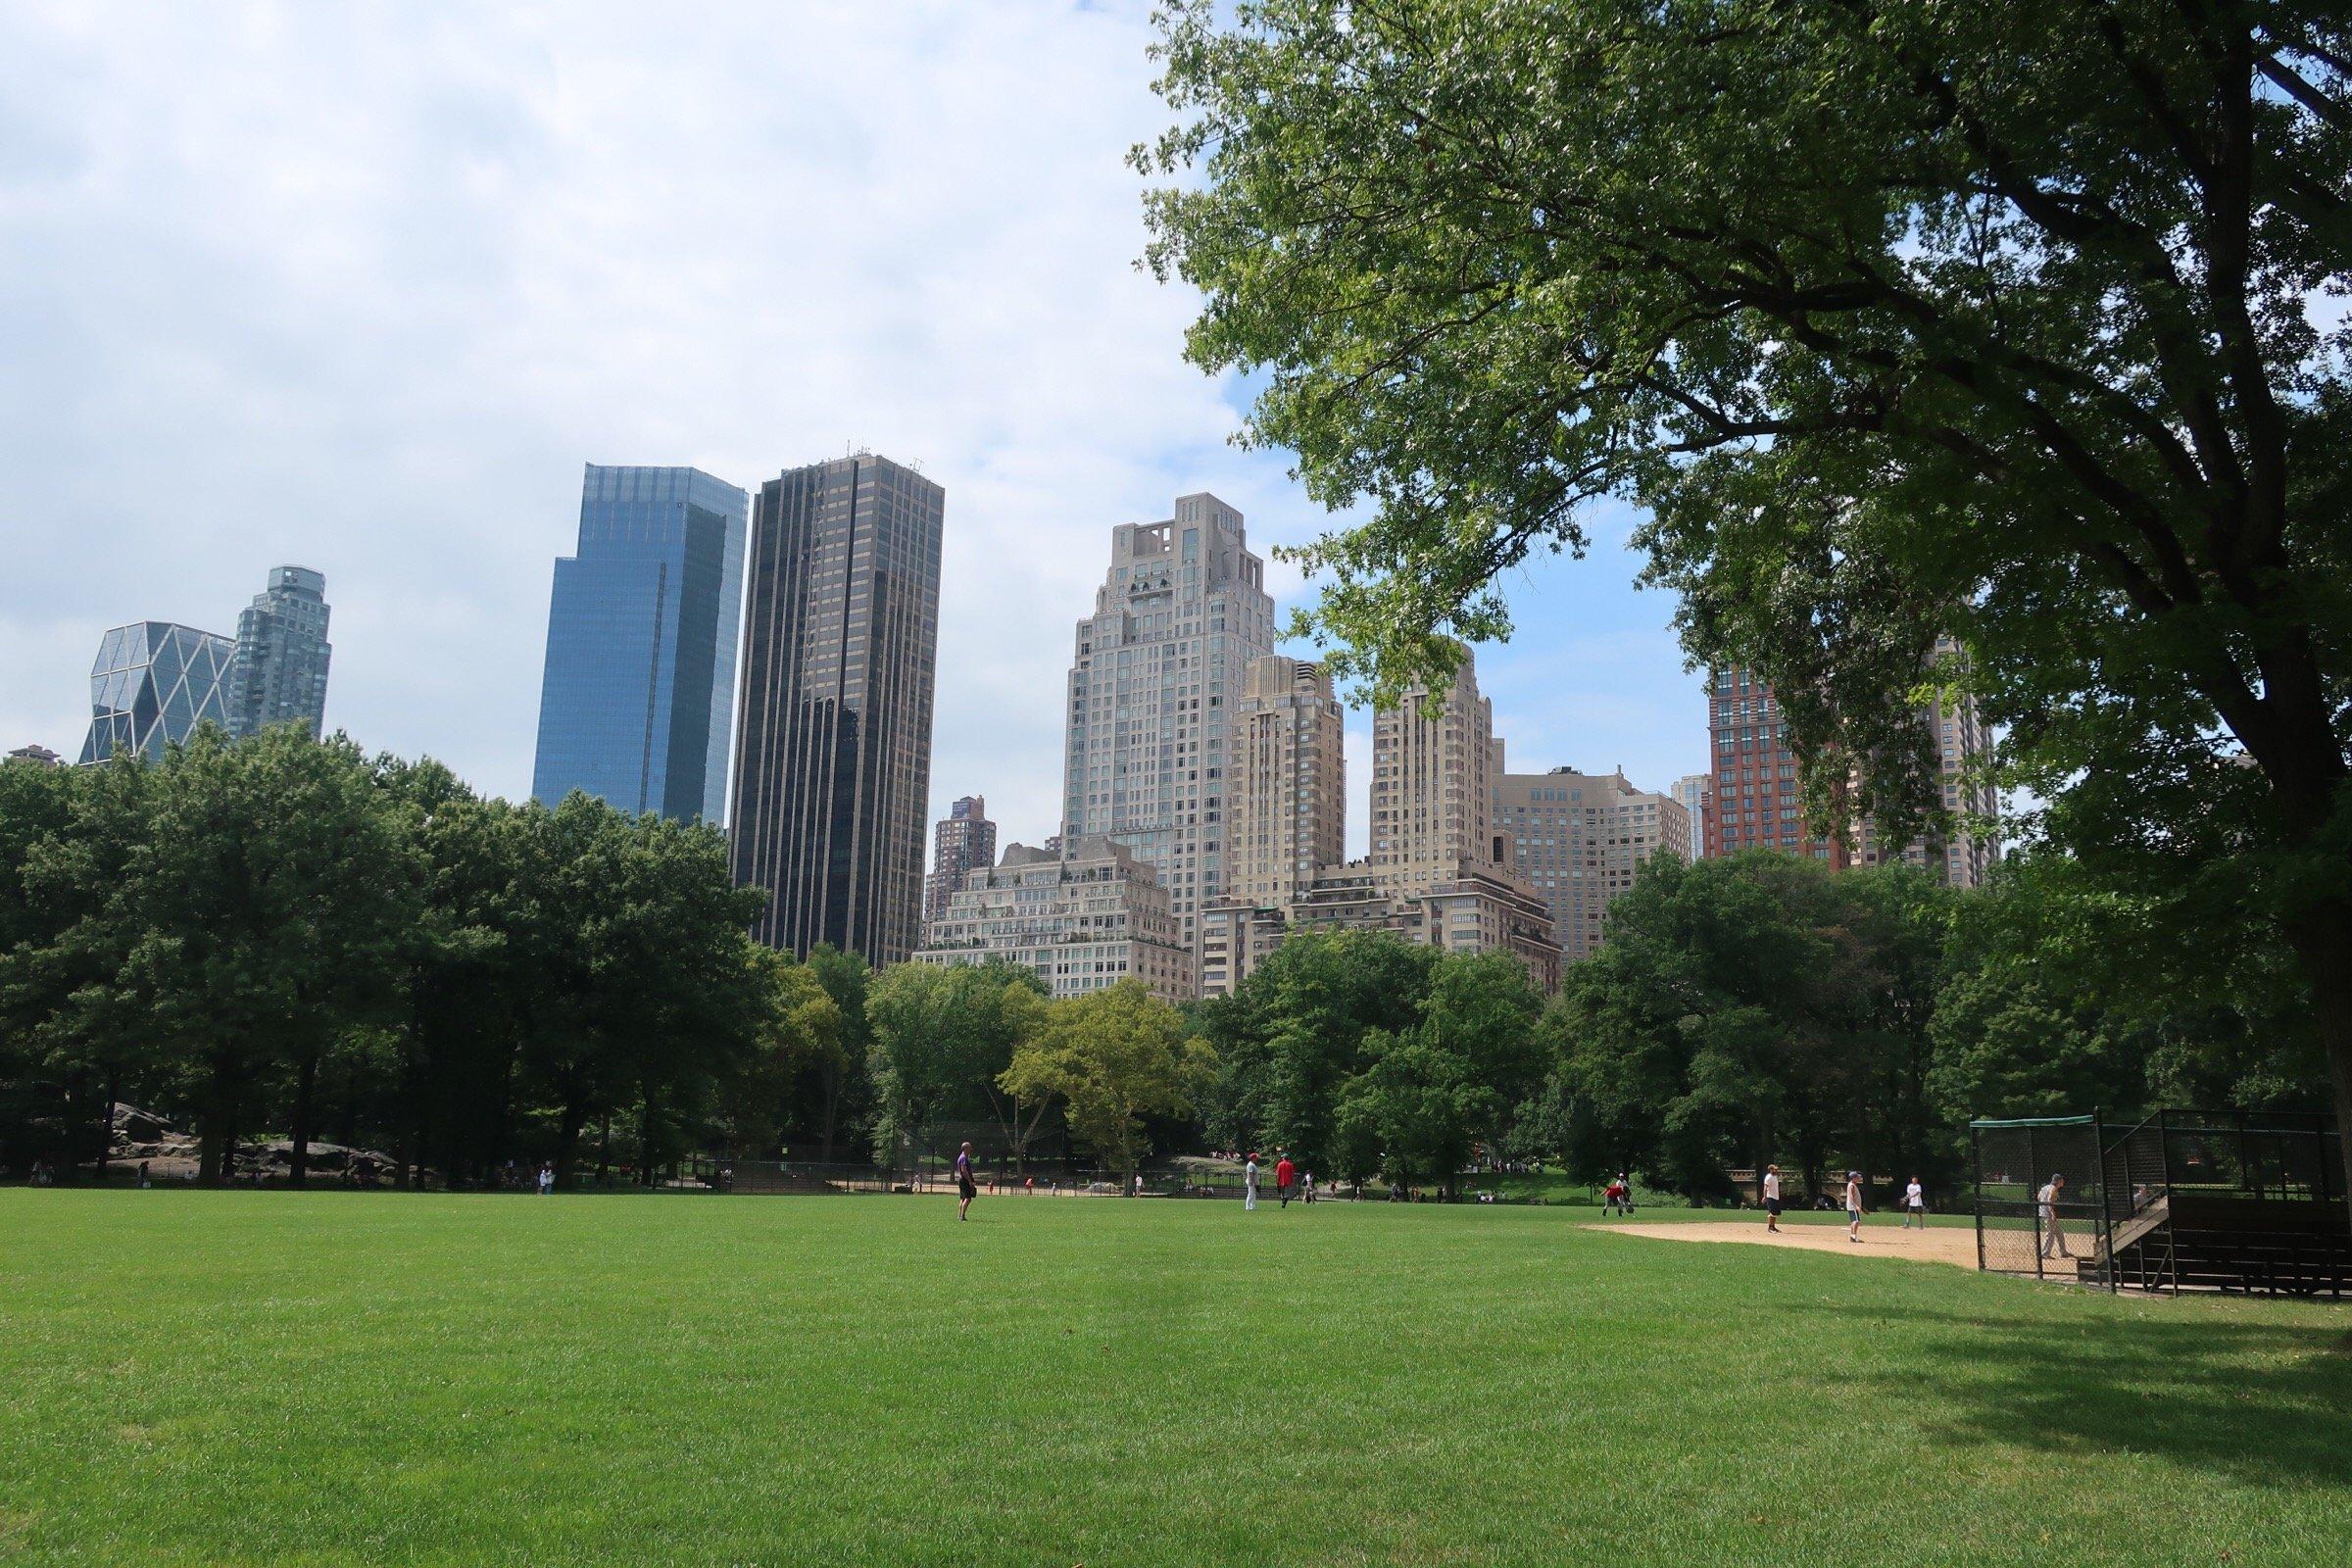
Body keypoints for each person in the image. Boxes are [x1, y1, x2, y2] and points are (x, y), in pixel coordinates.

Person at [2037, 1172, 2070, 1258]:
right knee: (2050, 1234)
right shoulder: (2053, 1188)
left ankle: (2063, 1252)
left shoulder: (2044, 1187)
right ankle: (2045, 1254)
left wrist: (2043, 1207)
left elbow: (2039, 1197)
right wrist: (2052, 1213)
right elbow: (2049, 1200)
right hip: (2049, 1214)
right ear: (2058, 1181)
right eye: (2061, 1180)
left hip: (2043, 1212)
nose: (2063, 1182)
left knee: (2059, 1233)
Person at [955, 1141, 978, 1221]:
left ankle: (959, 1215)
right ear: (965, 1148)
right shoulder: (964, 1158)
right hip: (964, 1180)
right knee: (968, 1199)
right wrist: (969, 1181)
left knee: (963, 1199)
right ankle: (962, 1216)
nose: (970, 1150)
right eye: (969, 1148)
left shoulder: (961, 1157)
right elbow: (964, 1170)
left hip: (962, 1180)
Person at [1844, 1170, 1865, 1243]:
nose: (1858, 1178)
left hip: (1852, 1206)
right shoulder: (1852, 1185)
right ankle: (1853, 1236)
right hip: (1853, 1206)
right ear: (1853, 1178)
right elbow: (1851, 1197)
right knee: (1856, 1221)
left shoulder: (1852, 1185)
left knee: (1854, 1221)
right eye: (1857, 1177)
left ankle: (1852, 1236)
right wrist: (1856, 1206)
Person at [1762, 1163, 1782, 1233]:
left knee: (1775, 1213)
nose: (1776, 1170)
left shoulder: (1775, 1176)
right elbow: (1765, 1187)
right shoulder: (1769, 1177)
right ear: (1771, 1170)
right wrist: (1765, 1196)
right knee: (1772, 1212)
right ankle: (1770, 1228)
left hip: (1776, 1197)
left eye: (1776, 1169)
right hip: (1770, 1196)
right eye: (1775, 1169)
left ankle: (1773, 1227)